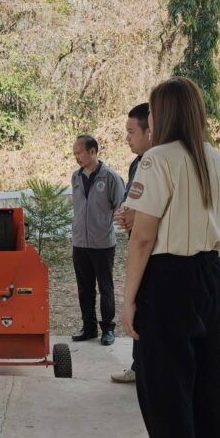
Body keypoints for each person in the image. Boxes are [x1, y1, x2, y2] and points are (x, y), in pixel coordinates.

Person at [121, 77, 220, 438]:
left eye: (153, 111)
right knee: (209, 386)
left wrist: (128, 299)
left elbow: (143, 237)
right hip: (210, 276)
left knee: (167, 392)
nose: (151, 119)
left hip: (169, 281)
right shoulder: (214, 158)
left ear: (165, 114)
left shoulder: (157, 159)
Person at [70, 135, 125, 346]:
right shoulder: (76, 177)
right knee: (84, 289)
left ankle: (108, 329)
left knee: (105, 287)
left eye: (80, 152)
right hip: (80, 243)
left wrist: (107, 222)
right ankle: (89, 327)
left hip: (103, 244)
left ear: (93, 152)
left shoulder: (110, 177)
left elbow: (121, 207)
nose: (77, 157)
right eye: (75, 153)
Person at [112, 102, 151, 383]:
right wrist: (124, 213)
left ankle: (146, 369)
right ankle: (139, 366)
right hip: (136, 242)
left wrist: (135, 217)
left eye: (132, 132)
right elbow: (131, 202)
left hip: (153, 251)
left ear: (150, 131)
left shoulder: (159, 164)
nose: (127, 138)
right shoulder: (137, 164)